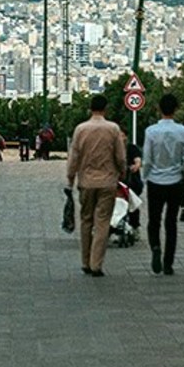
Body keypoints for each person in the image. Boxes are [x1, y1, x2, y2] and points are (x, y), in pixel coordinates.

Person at [66, 94, 126, 277]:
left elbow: (74, 157)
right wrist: (122, 172)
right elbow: (121, 157)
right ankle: (96, 263)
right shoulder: (113, 129)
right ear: (105, 109)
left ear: (90, 109)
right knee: (102, 222)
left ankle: (85, 261)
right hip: (107, 181)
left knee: (86, 220)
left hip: (86, 181)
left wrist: (70, 179)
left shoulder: (81, 129)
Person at [141, 93, 184, 275]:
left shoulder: (151, 131)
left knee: (154, 220)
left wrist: (144, 177)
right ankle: (168, 263)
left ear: (159, 109)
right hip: (175, 181)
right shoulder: (183, 132)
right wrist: (182, 174)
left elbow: (147, 159)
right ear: (176, 109)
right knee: (171, 222)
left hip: (155, 181)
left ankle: (155, 246)